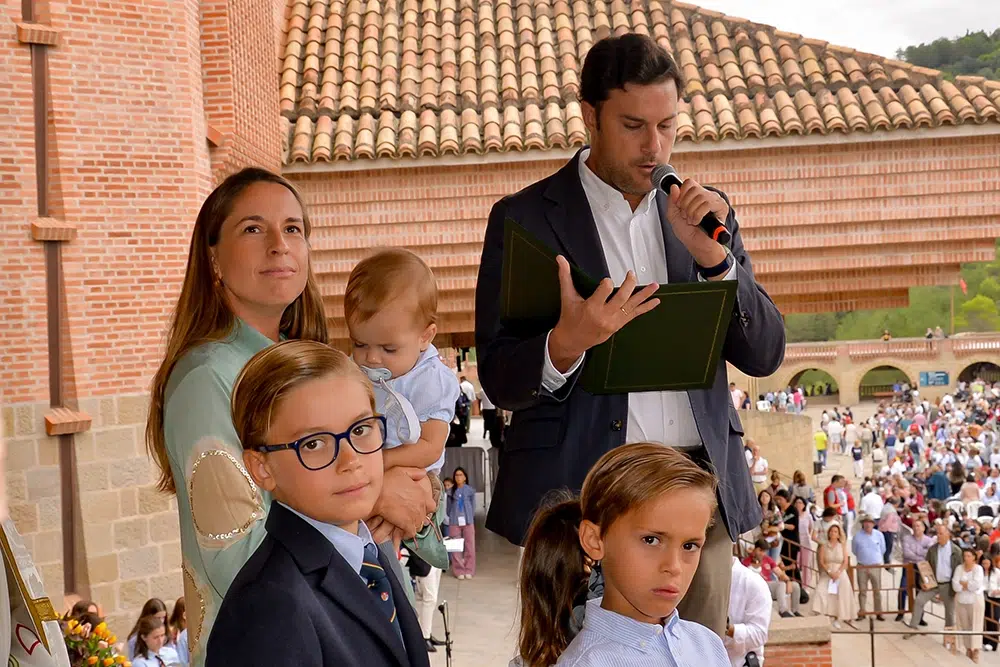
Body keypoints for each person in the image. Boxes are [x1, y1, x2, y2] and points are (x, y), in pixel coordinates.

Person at [475, 32, 785, 638]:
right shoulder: (525, 216)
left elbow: (766, 352)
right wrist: (565, 343)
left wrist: (718, 265)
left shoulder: (705, 215)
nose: (656, 147)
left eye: (668, 126)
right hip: (581, 496)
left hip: (698, 495)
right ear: (589, 115)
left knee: (697, 654)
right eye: (634, 125)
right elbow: (499, 376)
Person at [145, 169, 434, 665]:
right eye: (253, 229)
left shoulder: (310, 359)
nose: (279, 245)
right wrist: (372, 495)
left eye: (294, 228)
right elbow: (235, 557)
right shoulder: (206, 379)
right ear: (213, 257)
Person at [206, 340, 430, 667]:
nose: (351, 459)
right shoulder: (268, 607)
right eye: (313, 443)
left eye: (361, 429)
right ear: (262, 468)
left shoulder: (367, 552)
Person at [514, 443, 729, 666]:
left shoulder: (708, 646)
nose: (674, 566)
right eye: (651, 540)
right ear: (594, 541)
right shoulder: (587, 662)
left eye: (690, 546)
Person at [345, 248, 461, 553]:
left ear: (425, 336)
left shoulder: (429, 381)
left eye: (388, 348)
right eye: (359, 343)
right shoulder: (355, 371)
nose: (371, 357)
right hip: (368, 476)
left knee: (386, 548)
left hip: (414, 474)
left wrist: (380, 463)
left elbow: (430, 447)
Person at [905, 523, 962, 637]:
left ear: (948, 535)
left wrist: (957, 589)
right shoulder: (933, 550)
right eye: (937, 533)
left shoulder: (956, 551)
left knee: (949, 611)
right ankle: (912, 628)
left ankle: (949, 635)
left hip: (948, 584)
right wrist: (923, 582)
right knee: (919, 601)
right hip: (933, 583)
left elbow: (958, 570)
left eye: (941, 533)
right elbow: (927, 567)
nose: (938, 536)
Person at [724, 558, 772, 667]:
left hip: (739, 662)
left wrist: (727, 629)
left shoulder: (753, 582)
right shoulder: (692, 578)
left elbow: (759, 635)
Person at [743, 540, 802, 619]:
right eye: (760, 550)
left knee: (795, 585)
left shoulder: (767, 559)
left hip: (770, 586)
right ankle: (783, 610)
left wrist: (788, 581)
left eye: (764, 551)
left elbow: (779, 573)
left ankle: (795, 610)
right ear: (755, 548)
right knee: (780, 584)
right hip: (758, 587)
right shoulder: (746, 562)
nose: (762, 553)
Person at [813, 523, 856, 629]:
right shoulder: (824, 545)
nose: (833, 533)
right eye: (831, 531)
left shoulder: (842, 546)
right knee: (821, 591)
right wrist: (829, 571)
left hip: (839, 572)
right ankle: (823, 615)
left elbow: (845, 561)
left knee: (839, 595)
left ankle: (838, 618)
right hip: (828, 572)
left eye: (835, 532)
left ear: (838, 534)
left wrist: (838, 572)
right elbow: (822, 561)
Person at [897, 519, 934, 624]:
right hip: (908, 566)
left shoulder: (928, 540)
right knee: (903, 589)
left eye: (918, 526)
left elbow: (929, 554)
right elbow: (906, 553)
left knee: (920, 592)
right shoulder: (907, 538)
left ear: (923, 528)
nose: (916, 528)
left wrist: (917, 553)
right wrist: (921, 553)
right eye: (914, 526)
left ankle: (919, 616)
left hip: (922, 568)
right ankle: (900, 613)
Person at [852, 514, 886, 621]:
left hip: (875, 566)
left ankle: (878, 612)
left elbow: (883, 549)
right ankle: (862, 612)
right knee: (862, 591)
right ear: (862, 524)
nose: (867, 524)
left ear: (873, 524)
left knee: (877, 590)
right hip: (862, 566)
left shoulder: (879, 535)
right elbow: (854, 550)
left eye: (869, 522)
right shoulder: (857, 536)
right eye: (865, 522)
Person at [953, 548, 986, 662]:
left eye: (968, 556)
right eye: (965, 556)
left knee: (975, 625)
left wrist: (964, 584)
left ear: (973, 557)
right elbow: (955, 585)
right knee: (964, 624)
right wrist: (965, 585)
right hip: (961, 600)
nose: (966, 558)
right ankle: (968, 648)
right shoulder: (959, 568)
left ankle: (976, 649)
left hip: (975, 600)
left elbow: (976, 585)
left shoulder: (978, 569)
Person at [448, 467, 477, 579]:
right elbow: (448, 508)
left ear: (465, 477)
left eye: (460, 475)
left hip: (468, 521)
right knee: (456, 546)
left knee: (470, 545)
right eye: (456, 475)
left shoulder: (470, 490)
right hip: (454, 521)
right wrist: (452, 516)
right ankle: (459, 570)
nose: (458, 477)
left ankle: (469, 569)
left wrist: (469, 515)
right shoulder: (451, 491)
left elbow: (473, 506)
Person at [794, 496, 815, 589]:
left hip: (806, 542)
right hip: (795, 542)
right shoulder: (793, 515)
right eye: (797, 502)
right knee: (796, 564)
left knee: (806, 565)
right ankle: (796, 585)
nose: (798, 504)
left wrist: (807, 536)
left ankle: (805, 586)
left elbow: (811, 527)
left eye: (800, 503)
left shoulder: (808, 515)